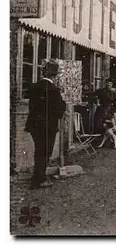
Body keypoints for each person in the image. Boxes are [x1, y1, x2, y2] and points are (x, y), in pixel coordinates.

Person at [25, 60, 67, 189]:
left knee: (39, 151)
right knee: (45, 152)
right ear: (54, 75)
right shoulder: (54, 90)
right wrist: (63, 103)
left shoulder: (34, 87)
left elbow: (31, 106)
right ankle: (39, 180)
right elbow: (59, 111)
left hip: (34, 124)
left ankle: (37, 176)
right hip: (48, 126)